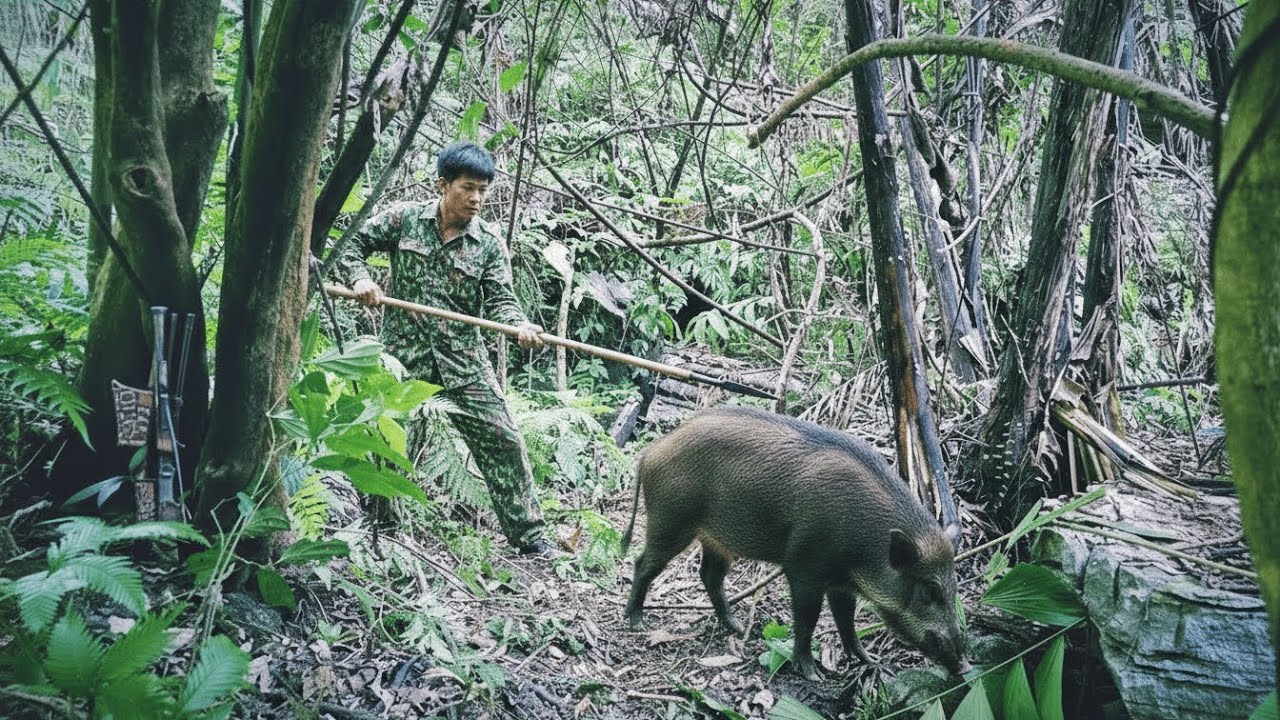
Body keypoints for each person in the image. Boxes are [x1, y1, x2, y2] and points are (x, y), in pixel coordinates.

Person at [345, 142, 556, 556]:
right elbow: (351, 242)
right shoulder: (403, 220)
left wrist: (519, 325)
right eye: (467, 187)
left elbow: (501, 300)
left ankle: (529, 538)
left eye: (483, 189)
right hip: (404, 359)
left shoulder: (490, 244)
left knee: (505, 440)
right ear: (443, 185)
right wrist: (359, 279)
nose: (476, 198)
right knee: (389, 444)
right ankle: (381, 531)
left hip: (463, 362)